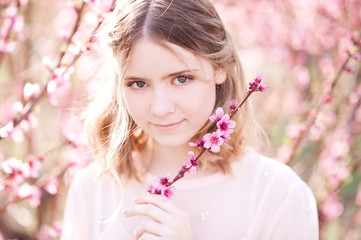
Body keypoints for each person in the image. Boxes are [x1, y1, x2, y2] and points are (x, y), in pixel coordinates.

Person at [61, 0, 319, 239]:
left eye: (181, 79)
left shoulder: (278, 195)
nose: (160, 108)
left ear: (220, 68)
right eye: (138, 83)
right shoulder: (92, 189)